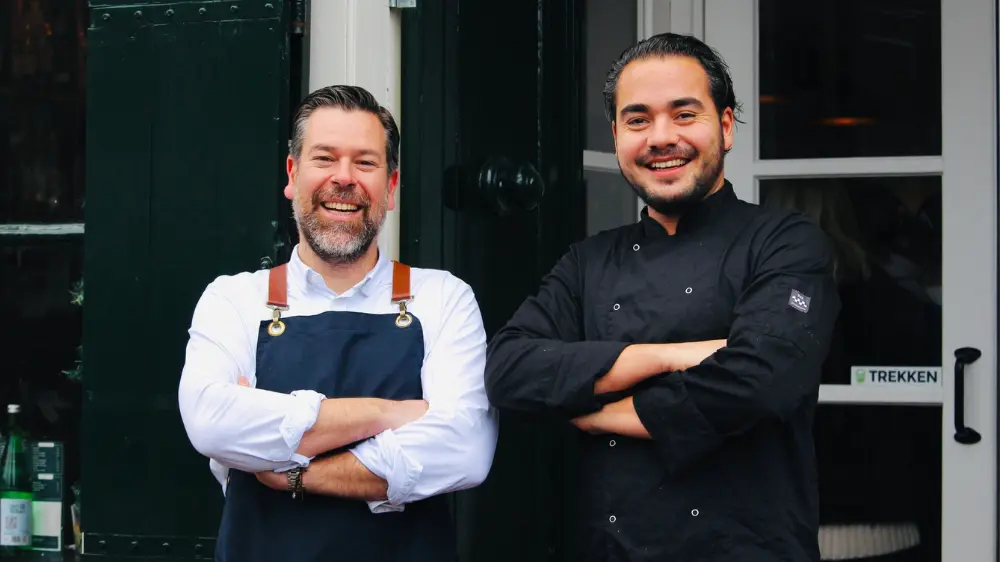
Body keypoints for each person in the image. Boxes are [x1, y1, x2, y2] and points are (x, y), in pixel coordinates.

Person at [484, 33, 841, 561]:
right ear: (616, 136)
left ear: (725, 126)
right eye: (637, 120)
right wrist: (671, 357)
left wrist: (596, 412)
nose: (661, 137)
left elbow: (760, 380)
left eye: (684, 114)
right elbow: (509, 370)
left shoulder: (784, 243)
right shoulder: (587, 262)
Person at [178, 85, 498, 562]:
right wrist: (389, 414)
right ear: (293, 174)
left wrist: (293, 473)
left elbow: (466, 449)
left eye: (365, 163)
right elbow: (211, 424)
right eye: (325, 158)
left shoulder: (444, 298)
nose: (344, 178)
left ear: (391, 187)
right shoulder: (234, 300)